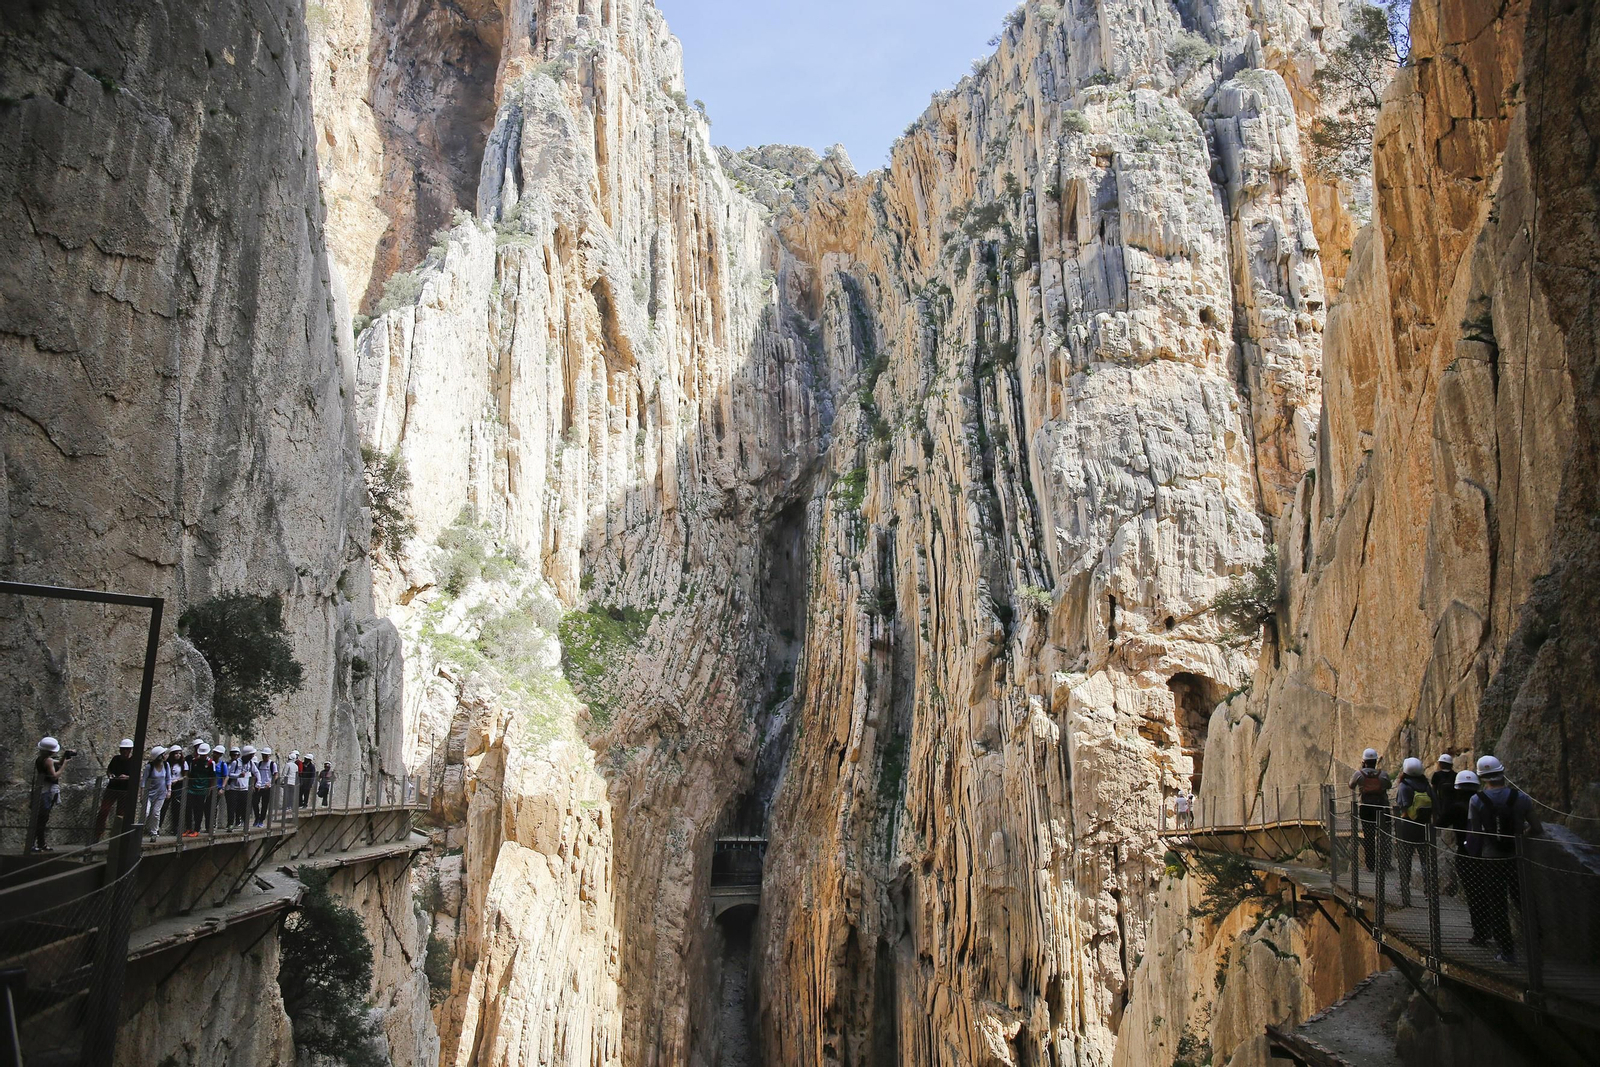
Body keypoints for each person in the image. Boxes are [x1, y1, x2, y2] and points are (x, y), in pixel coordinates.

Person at [1467, 755, 1543, 964]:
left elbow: (1475, 832)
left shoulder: (1476, 800)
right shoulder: (1521, 799)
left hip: (1491, 859)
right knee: (1525, 902)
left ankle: (1507, 952)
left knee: (1497, 905)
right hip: (1516, 857)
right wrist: (1520, 837)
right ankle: (1537, 948)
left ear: (1482, 777)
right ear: (1502, 772)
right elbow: (1537, 828)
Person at [1443, 769, 1490, 945]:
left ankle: (1479, 933)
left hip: (1465, 852)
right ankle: (1491, 929)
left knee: (1473, 894)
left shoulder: (1457, 807)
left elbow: (1440, 823)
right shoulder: (1485, 801)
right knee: (1486, 892)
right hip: (1486, 852)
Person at [1392, 757, 1436, 908]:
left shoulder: (1404, 786)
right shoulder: (1426, 786)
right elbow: (1435, 805)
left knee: (1406, 859)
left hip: (1408, 827)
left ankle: (1405, 890)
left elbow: (1402, 810)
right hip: (1424, 827)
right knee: (1425, 861)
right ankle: (1429, 892)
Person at [1348, 748, 1392, 872]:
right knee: (1385, 836)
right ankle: (1385, 864)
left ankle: (1370, 865)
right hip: (1382, 806)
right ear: (1375, 761)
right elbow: (1389, 785)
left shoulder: (1359, 774)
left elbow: (1351, 785)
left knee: (1369, 836)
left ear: (1364, 761)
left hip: (1366, 807)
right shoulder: (1382, 774)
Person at [32, 737, 75, 852]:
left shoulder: (40, 759)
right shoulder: (49, 761)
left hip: (40, 790)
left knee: (40, 819)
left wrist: (64, 757)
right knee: (42, 819)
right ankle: (34, 844)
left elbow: (57, 762)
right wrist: (64, 765)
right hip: (46, 792)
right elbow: (54, 775)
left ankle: (40, 843)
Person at [94, 739, 138, 841]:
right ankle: (98, 834)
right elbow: (109, 770)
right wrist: (111, 775)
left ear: (130, 750)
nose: (124, 752)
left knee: (121, 814)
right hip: (112, 788)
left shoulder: (133, 761)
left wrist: (127, 777)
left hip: (125, 790)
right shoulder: (116, 759)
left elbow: (136, 776)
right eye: (123, 750)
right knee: (104, 810)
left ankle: (117, 836)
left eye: (127, 750)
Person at [1431, 754, 1459, 893]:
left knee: (1441, 824)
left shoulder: (1436, 776)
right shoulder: (1455, 775)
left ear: (1441, 764)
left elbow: (1434, 790)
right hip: (1454, 805)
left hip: (1441, 804)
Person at [184, 743, 214, 837]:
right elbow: (190, 774)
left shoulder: (210, 763)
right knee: (188, 808)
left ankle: (197, 829)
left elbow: (212, 777)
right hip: (192, 788)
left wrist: (209, 788)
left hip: (203, 789)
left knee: (199, 809)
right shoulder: (194, 762)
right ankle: (189, 828)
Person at [142, 746, 171, 838]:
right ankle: (139, 829)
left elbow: (168, 779)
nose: (165, 756)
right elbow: (143, 781)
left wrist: (169, 790)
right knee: (146, 812)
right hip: (149, 793)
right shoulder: (149, 767)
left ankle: (154, 831)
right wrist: (141, 793)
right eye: (164, 754)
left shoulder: (166, 765)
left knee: (156, 813)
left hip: (161, 793)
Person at [249, 746, 273, 827]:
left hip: (267, 787)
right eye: (263, 755)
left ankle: (261, 820)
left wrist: (270, 783)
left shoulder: (272, 764)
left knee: (264, 804)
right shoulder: (259, 764)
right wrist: (253, 784)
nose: (265, 757)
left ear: (269, 756)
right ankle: (257, 817)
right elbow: (255, 775)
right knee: (255, 802)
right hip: (258, 786)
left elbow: (275, 774)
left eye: (266, 756)